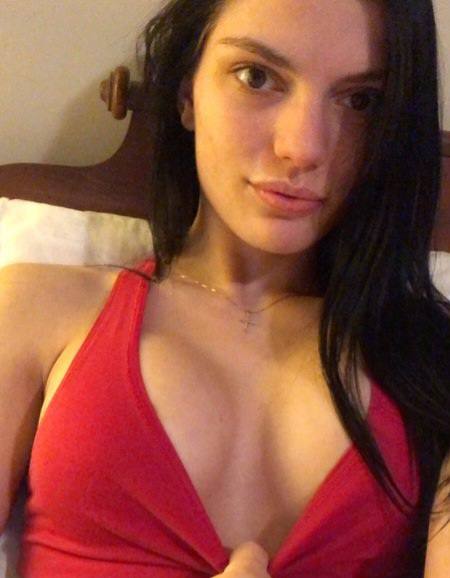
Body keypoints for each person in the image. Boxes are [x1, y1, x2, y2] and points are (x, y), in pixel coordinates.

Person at [0, 0, 449, 576]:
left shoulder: (432, 365)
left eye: (361, 101)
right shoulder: (39, 307)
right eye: (257, 77)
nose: (304, 147)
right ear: (187, 91)